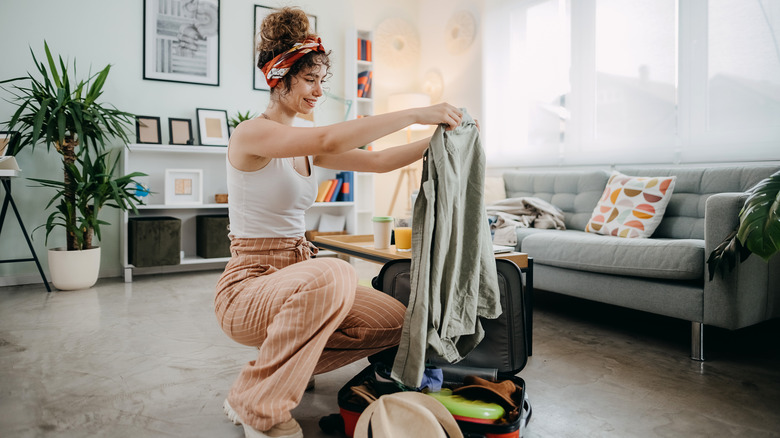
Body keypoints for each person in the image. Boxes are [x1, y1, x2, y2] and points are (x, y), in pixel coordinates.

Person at [214, 6, 463, 438]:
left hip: (299, 274)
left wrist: (446, 137)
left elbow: (381, 161)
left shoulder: (304, 146)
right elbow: (329, 136)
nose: (317, 92)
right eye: (309, 80)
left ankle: (259, 380)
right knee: (336, 270)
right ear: (280, 77)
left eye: (320, 81)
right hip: (249, 285)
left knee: (402, 325)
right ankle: (261, 405)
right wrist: (418, 112)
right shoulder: (251, 134)